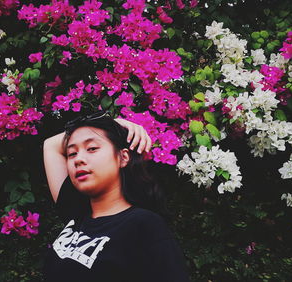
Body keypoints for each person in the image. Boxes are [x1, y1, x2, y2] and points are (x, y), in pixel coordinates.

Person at [42, 110, 190, 282]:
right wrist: (116, 122)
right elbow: (50, 145)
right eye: (72, 153)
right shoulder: (77, 212)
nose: (78, 159)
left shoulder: (144, 225)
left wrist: (111, 127)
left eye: (92, 148)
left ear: (123, 157)